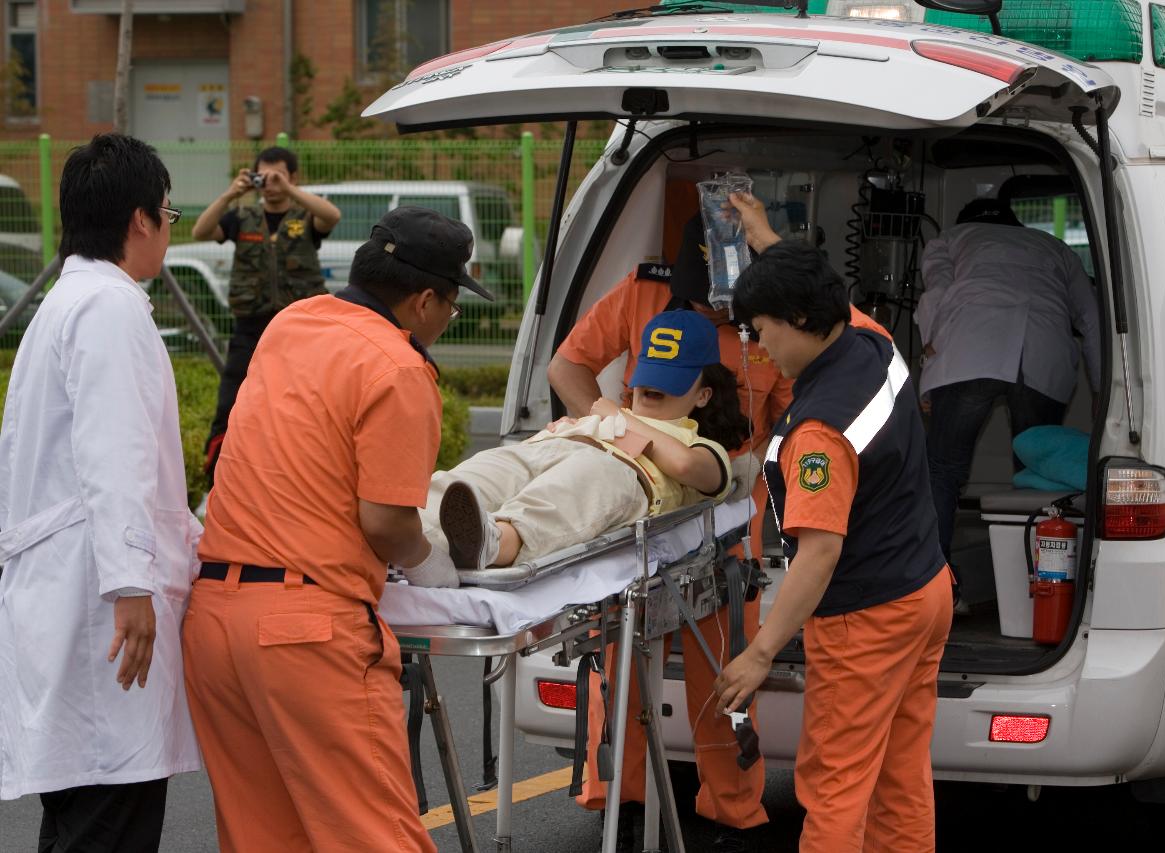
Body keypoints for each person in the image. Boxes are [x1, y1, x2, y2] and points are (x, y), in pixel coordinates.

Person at [182, 207, 492, 851]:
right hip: (304, 632)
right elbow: (383, 520)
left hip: (214, 618)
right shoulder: (400, 368)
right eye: (452, 305)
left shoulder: (291, 323)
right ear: (426, 299)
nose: (445, 320)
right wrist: (431, 563)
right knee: (374, 836)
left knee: (265, 835)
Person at [548, 213, 790, 849]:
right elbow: (566, 369)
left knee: (728, 676)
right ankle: (621, 802)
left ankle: (733, 811)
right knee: (619, 667)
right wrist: (610, 426)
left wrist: (749, 472)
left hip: (725, 520)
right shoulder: (643, 291)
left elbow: (806, 417)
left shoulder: (773, 313)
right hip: (640, 519)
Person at [714, 238, 953, 853]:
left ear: (798, 319)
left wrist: (761, 652)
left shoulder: (819, 431)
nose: (760, 348)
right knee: (902, 775)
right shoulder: (869, 341)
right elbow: (818, 291)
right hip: (925, 590)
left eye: (762, 330)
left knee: (834, 786)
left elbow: (820, 553)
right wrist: (770, 245)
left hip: (865, 619)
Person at [0, 134, 202, 851]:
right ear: (141, 219)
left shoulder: (65, 303)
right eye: (170, 213)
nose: (170, 229)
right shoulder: (110, 309)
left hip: (65, 599)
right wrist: (130, 584)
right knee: (108, 820)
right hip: (101, 609)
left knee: (79, 820)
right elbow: (113, 455)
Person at [425, 310, 746, 575]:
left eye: (668, 382)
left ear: (703, 395)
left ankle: (494, 542)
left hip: (620, 468)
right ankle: (413, 528)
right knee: (477, 475)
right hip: (557, 444)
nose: (649, 388)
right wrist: (585, 424)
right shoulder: (603, 415)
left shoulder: (697, 444)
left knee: (573, 486)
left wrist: (614, 417)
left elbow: (685, 465)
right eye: (649, 375)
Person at [916, 197, 1101, 570]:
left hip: (970, 349)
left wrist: (930, 361)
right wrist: (1102, 390)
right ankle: (1036, 580)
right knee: (1036, 470)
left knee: (944, 468)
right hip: (1043, 350)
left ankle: (936, 584)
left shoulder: (950, 239)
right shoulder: (1055, 247)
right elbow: (1092, 318)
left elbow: (935, 294)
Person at [192, 145, 341, 483]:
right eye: (265, 176)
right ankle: (217, 474)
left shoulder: (305, 217)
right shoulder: (241, 217)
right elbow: (201, 231)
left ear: (292, 177)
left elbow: (332, 216)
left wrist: (289, 191)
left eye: (279, 176)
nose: (270, 184)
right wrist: (231, 194)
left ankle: (306, 472)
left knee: (306, 405)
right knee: (231, 403)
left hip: (302, 329)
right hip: (251, 325)